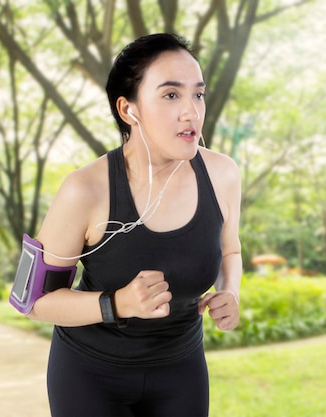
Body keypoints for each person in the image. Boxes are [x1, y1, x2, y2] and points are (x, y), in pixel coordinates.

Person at [24, 32, 242, 417]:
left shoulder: (222, 174)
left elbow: (230, 249)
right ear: (129, 110)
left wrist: (231, 291)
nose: (191, 111)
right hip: (89, 375)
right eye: (171, 95)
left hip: (181, 370)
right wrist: (118, 303)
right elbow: (34, 301)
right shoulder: (85, 190)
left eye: (198, 94)